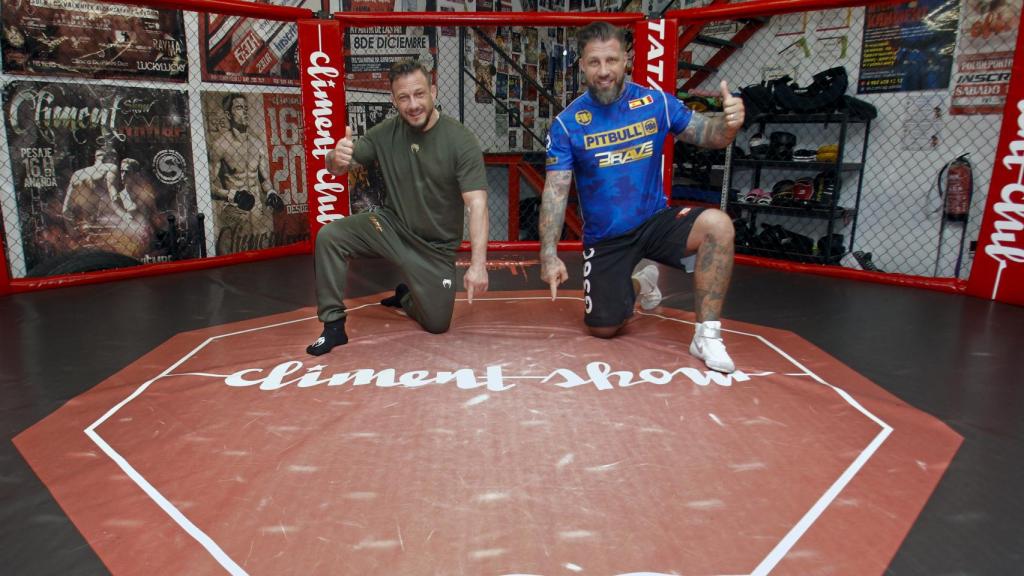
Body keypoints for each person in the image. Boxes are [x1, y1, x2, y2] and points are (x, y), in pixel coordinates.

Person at [540, 21, 743, 373]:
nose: (604, 71)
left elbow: (709, 135)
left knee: (719, 225)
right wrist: (548, 254)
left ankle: (706, 335)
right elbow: (556, 192)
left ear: (626, 60)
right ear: (582, 65)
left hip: (654, 221)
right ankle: (642, 281)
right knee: (603, 328)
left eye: (611, 60)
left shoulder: (655, 103)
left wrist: (729, 125)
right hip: (607, 237)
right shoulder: (567, 124)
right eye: (594, 62)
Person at [307, 58, 490, 356]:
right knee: (330, 236)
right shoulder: (385, 133)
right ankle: (333, 325)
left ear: (433, 92)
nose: (413, 105)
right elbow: (340, 166)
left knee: (437, 324)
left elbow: (477, 203)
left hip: (434, 249)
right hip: (391, 228)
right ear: (393, 100)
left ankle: (407, 296)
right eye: (404, 97)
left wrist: (478, 265)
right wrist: (334, 158)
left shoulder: (461, 140)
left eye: (419, 94)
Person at [208, 93, 284, 254]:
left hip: (257, 214)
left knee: (262, 258)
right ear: (229, 115)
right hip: (234, 212)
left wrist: (271, 192)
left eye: (246, 108)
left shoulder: (257, 144)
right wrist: (232, 195)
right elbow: (209, 187)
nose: (245, 112)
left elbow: (264, 179)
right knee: (234, 260)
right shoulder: (220, 145)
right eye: (239, 107)